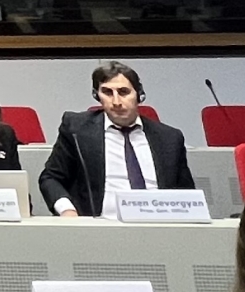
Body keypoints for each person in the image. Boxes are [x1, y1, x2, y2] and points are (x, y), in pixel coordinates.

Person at [39, 60, 193, 217]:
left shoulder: (169, 138)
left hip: (160, 223)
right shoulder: (77, 130)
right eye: (107, 93)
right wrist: (67, 211)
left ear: (139, 95)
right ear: (97, 96)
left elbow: (187, 194)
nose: (116, 102)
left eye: (124, 92)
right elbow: (50, 178)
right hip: (100, 225)